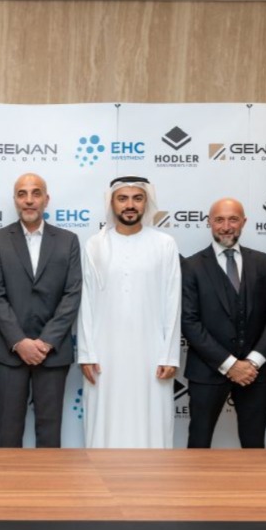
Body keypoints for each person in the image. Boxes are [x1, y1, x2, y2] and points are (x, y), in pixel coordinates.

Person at [78, 176, 181, 448]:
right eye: (122, 198)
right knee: (105, 420)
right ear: (111, 203)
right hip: (104, 354)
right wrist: (87, 353)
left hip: (152, 353)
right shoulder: (95, 245)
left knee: (151, 419)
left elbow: (173, 301)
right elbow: (86, 302)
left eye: (137, 198)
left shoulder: (165, 243)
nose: (130, 205)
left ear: (146, 202)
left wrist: (169, 355)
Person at [181, 197, 266, 449]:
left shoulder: (262, 262)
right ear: (209, 222)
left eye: (233, 219)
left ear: (244, 222)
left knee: (254, 446)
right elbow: (189, 321)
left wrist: (252, 362)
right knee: (198, 444)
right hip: (207, 372)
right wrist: (230, 365)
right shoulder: (191, 266)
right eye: (219, 220)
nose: (226, 226)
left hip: (255, 374)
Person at [0, 173, 82, 448]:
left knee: (50, 433)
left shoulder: (68, 240)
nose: (29, 200)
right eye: (22, 194)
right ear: (15, 200)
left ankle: (49, 479)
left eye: (36, 193)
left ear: (46, 199)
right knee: (9, 432)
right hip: (9, 352)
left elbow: (72, 294)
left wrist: (45, 342)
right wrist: (19, 342)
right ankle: (7, 480)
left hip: (53, 352)